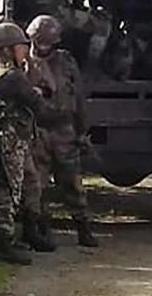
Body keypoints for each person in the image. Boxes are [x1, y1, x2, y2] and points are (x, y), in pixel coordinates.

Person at [0, 22, 52, 265]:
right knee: (7, 191)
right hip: (8, 141)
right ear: (7, 50)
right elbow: (38, 106)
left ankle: (25, 232)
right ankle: (2, 243)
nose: (25, 51)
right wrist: (39, 92)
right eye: (20, 47)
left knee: (26, 183)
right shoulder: (12, 77)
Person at [24, 15, 99, 249]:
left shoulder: (66, 62)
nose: (44, 46)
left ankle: (83, 227)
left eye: (49, 42)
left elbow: (78, 96)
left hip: (65, 129)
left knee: (72, 182)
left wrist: (82, 130)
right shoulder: (24, 62)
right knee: (37, 185)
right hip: (38, 130)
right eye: (40, 41)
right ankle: (41, 229)